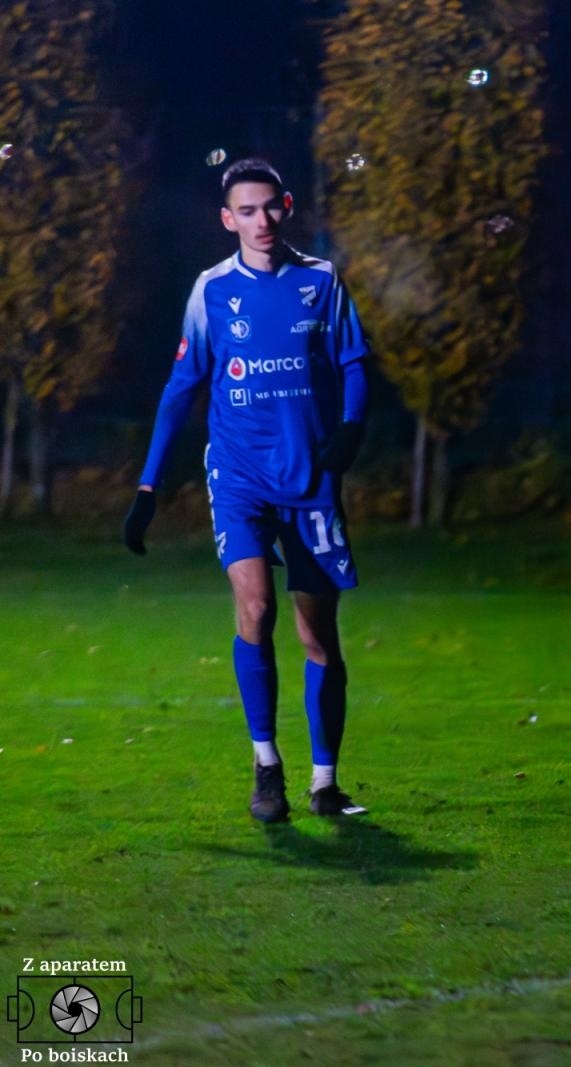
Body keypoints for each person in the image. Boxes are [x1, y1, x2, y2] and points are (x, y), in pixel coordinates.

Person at [123, 158, 371, 823]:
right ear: (227, 219)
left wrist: (347, 434)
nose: (262, 221)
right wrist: (149, 484)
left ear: (286, 207)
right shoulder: (210, 292)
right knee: (255, 608)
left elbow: (353, 363)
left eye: (271, 207)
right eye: (247, 211)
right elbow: (182, 389)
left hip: (311, 482)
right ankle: (267, 766)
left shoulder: (320, 281)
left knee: (318, 635)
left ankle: (326, 781)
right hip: (238, 476)